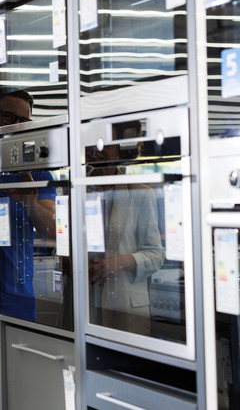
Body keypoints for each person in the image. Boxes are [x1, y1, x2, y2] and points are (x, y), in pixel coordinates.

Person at [85, 119, 165, 336]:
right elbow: (61, 247)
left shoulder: (141, 193)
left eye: (106, 143)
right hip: (82, 305)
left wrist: (121, 262)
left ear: (123, 149)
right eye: (94, 141)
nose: (97, 149)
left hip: (124, 310)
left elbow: (156, 255)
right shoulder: (74, 192)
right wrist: (64, 260)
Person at [0, 88, 57, 322]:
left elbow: (53, 229)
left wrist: (31, 204)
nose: (16, 126)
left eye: (24, 121)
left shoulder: (35, 168)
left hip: (15, 294)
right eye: (8, 117)